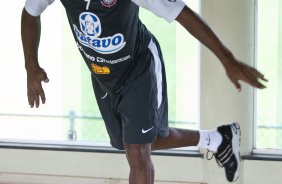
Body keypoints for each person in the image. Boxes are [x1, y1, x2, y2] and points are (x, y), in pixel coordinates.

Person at [21, 0, 267, 183]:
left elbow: (181, 13)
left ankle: (218, 139)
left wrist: (228, 59)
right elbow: (31, 12)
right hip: (103, 75)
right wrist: (31, 65)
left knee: (137, 152)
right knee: (129, 142)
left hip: (139, 67)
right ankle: (219, 139)